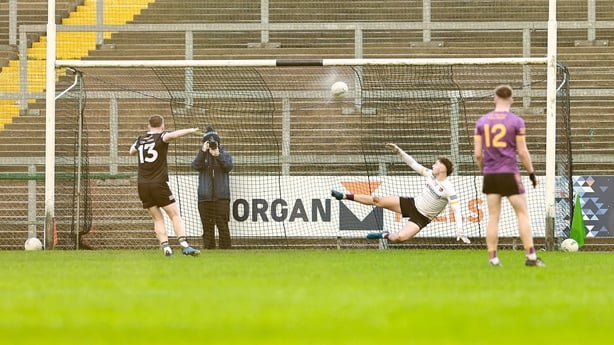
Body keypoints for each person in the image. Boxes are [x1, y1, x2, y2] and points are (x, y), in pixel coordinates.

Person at [331, 143, 470, 244]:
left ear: (442, 168)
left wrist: (459, 229)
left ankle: (384, 235)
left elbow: (456, 210)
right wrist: (399, 152)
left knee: (399, 238)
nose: (433, 165)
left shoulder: (449, 189)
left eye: (436, 163)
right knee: (377, 200)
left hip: (422, 217)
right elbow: (413, 164)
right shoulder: (429, 174)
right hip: (411, 204)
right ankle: (343, 196)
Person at [474, 85, 544, 267]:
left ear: (494, 99)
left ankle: (493, 258)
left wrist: (484, 170)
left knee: (493, 217)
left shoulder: (482, 122)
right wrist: (531, 173)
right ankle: (530, 256)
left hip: (491, 174)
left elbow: (478, 154)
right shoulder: (517, 121)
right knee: (522, 214)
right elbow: (522, 151)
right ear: (512, 99)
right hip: (509, 172)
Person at [129, 115, 201, 257]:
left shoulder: (140, 140)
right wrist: (192, 130)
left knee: (157, 218)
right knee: (174, 215)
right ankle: (184, 245)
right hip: (158, 183)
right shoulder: (162, 136)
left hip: (142, 185)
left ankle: (166, 248)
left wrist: (141, 144)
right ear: (162, 125)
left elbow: (131, 151)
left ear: (148, 126)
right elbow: (174, 135)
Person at [192, 126, 234, 249]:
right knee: (207, 228)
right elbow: (195, 166)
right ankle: (209, 250)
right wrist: (203, 151)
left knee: (223, 227)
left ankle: (225, 251)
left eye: (213, 142)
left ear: (218, 142)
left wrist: (217, 155)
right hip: (205, 198)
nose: (211, 144)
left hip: (221, 198)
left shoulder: (225, 155)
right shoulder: (202, 156)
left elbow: (228, 167)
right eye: (208, 142)